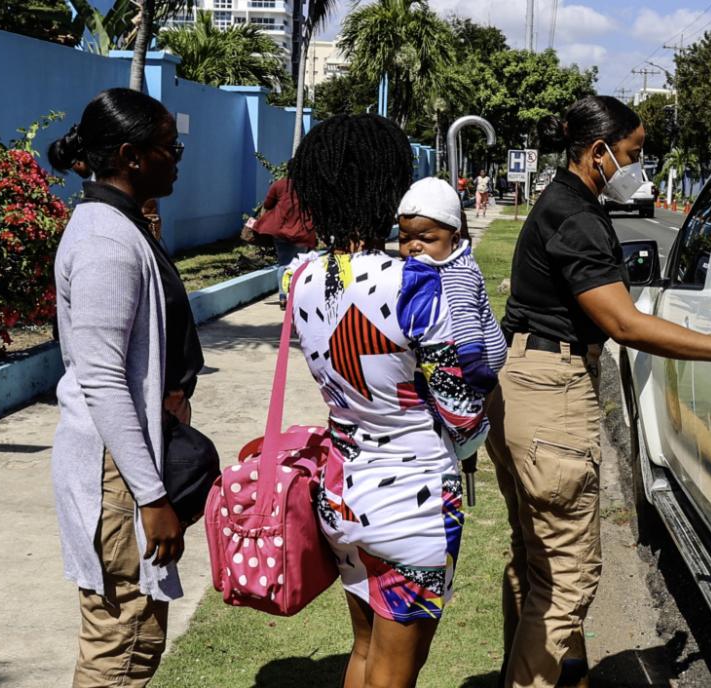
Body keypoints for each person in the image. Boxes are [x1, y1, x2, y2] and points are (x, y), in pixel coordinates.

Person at [486, 95, 711, 687]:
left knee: (535, 563)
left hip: (520, 386)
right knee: (566, 581)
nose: (638, 167)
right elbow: (625, 324)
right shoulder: (576, 217)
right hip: (551, 395)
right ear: (599, 151)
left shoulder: (560, 202)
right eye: (633, 154)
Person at [284, 114, 488, 688]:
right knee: (398, 671)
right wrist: (480, 431)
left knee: (364, 650)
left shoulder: (298, 278)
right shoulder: (415, 283)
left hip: (342, 494)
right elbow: (459, 408)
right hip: (411, 502)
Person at [47, 87, 198, 687]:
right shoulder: (106, 242)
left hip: (124, 460)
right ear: (133, 157)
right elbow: (104, 378)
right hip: (117, 470)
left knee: (131, 636)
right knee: (122, 641)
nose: (178, 159)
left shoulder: (119, 225)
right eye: (170, 148)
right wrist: (151, 498)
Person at [398, 177, 508, 451]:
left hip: (476, 357)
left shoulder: (457, 272)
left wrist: (472, 364)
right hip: (459, 355)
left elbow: (465, 317)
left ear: (454, 239)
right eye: (404, 238)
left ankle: (467, 438)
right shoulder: (434, 263)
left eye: (426, 239)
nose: (414, 246)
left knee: (460, 414)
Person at [253, 176, 315, 308]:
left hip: (282, 231)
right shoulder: (309, 185)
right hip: (303, 231)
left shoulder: (279, 184)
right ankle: (298, 296)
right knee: (300, 264)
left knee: (284, 264)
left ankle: (283, 297)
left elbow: (267, 205)